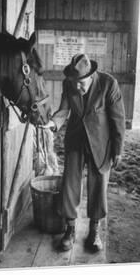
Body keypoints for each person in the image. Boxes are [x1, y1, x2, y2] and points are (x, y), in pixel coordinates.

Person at [39, 53, 125, 252]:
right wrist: (52, 123)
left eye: (81, 83)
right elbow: (63, 110)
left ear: (91, 76)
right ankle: (70, 230)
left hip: (101, 142)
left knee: (98, 186)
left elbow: (118, 119)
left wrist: (118, 150)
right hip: (75, 141)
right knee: (70, 184)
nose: (77, 87)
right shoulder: (69, 84)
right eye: (74, 83)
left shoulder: (108, 84)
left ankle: (94, 231)